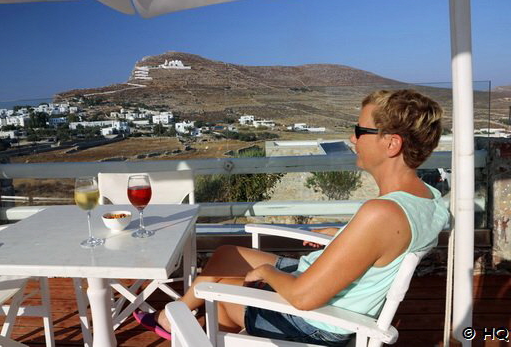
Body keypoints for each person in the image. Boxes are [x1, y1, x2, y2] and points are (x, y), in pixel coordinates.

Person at [134, 89, 450, 346]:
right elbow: (383, 246)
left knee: (217, 291)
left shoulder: (382, 213)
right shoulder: (429, 200)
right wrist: (343, 234)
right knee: (227, 255)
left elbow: (303, 296)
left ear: (391, 143)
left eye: (359, 131)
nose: (353, 140)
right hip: (324, 287)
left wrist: (268, 272)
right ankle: (169, 319)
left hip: (313, 322)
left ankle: (192, 328)